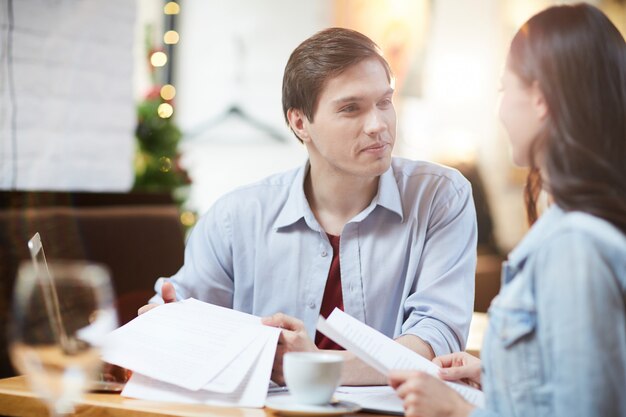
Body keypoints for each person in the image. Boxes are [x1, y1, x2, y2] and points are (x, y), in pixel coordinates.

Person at [140, 27, 478, 385]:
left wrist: (314, 366)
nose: (379, 125)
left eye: (384, 102)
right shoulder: (234, 217)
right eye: (351, 108)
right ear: (300, 122)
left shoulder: (441, 196)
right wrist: (164, 323)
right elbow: (183, 311)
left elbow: (435, 339)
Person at [389, 3, 626, 416]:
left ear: (540, 98)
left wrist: (458, 411)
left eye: (504, 89)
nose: (499, 109)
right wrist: (502, 379)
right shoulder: (573, 227)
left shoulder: (576, 246)